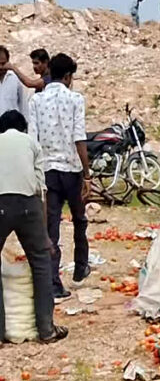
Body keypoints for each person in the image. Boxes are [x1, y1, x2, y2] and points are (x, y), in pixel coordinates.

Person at [27, 53, 91, 299]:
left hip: (47, 171)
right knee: (79, 219)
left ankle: (54, 284)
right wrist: (87, 174)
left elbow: (33, 140)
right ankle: (80, 266)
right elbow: (79, 138)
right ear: (67, 77)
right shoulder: (75, 99)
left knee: (51, 227)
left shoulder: (37, 101)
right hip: (72, 170)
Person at [0, 110, 65, 343]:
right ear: (23, 128)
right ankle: (46, 329)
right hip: (29, 204)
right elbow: (41, 190)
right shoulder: (31, 143)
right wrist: (45, 235)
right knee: (40, 263)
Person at [0, 47, 27, 117]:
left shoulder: (15, 78)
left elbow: (23, 104)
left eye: (3, 63)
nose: (0, 67)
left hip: (12, 125)